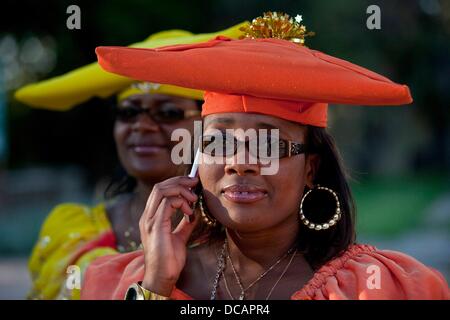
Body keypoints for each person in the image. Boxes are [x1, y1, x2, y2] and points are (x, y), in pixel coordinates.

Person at [81, 12, 449, 300]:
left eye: (268, 144)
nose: (239, 162)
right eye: (219, 142)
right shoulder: (118, 281)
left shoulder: (380, 287)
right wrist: (157, 282)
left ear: (311, 168)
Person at [15, 23, 247, 299]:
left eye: (169, 112)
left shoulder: (241, 236)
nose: (141, 126)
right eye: (128, 112)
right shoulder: (71, 232)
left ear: (211, 128)